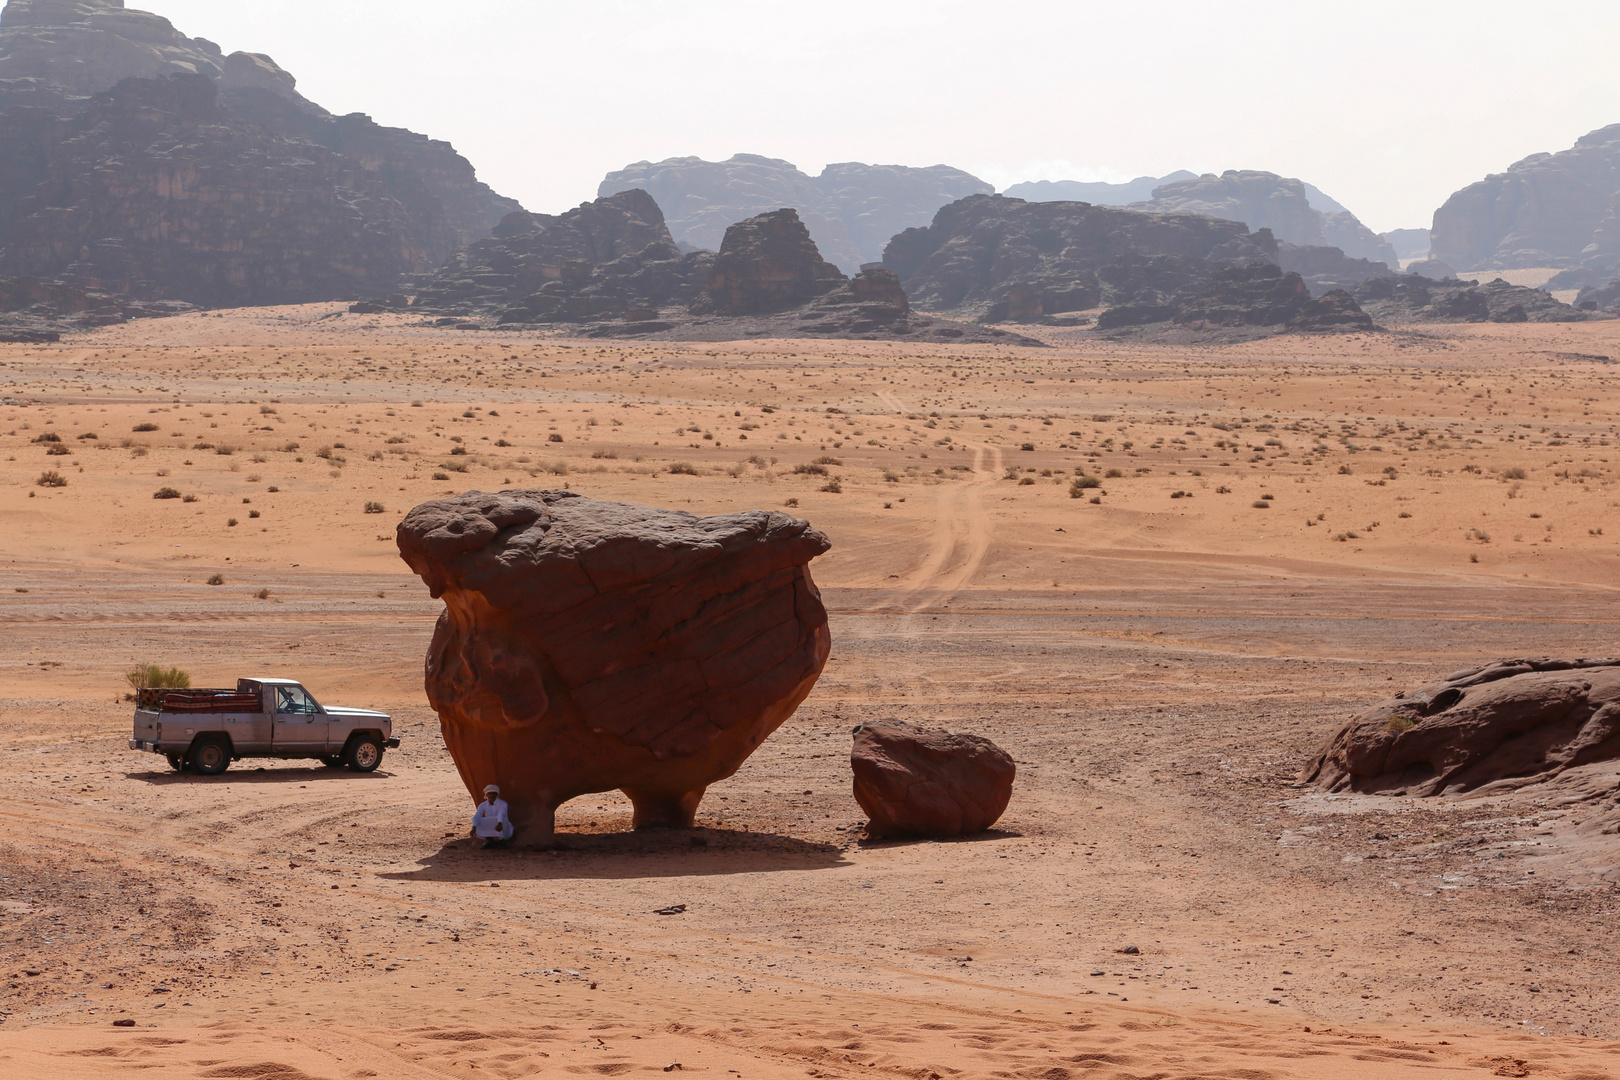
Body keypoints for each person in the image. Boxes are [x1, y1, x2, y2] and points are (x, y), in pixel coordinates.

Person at [471, 784, 514, 849]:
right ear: (486, 795)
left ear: (497, 794)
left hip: (502, 825)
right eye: (489, 793)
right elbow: (477, 815)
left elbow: (501, 814)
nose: (491, 795)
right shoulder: (483, 805)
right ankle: (490, 841)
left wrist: (500, 823)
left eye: (494, 793)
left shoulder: (503, 803)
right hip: (491, 826)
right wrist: (473, 827)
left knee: (501, 819)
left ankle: (501, 841)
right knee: (478, 821)